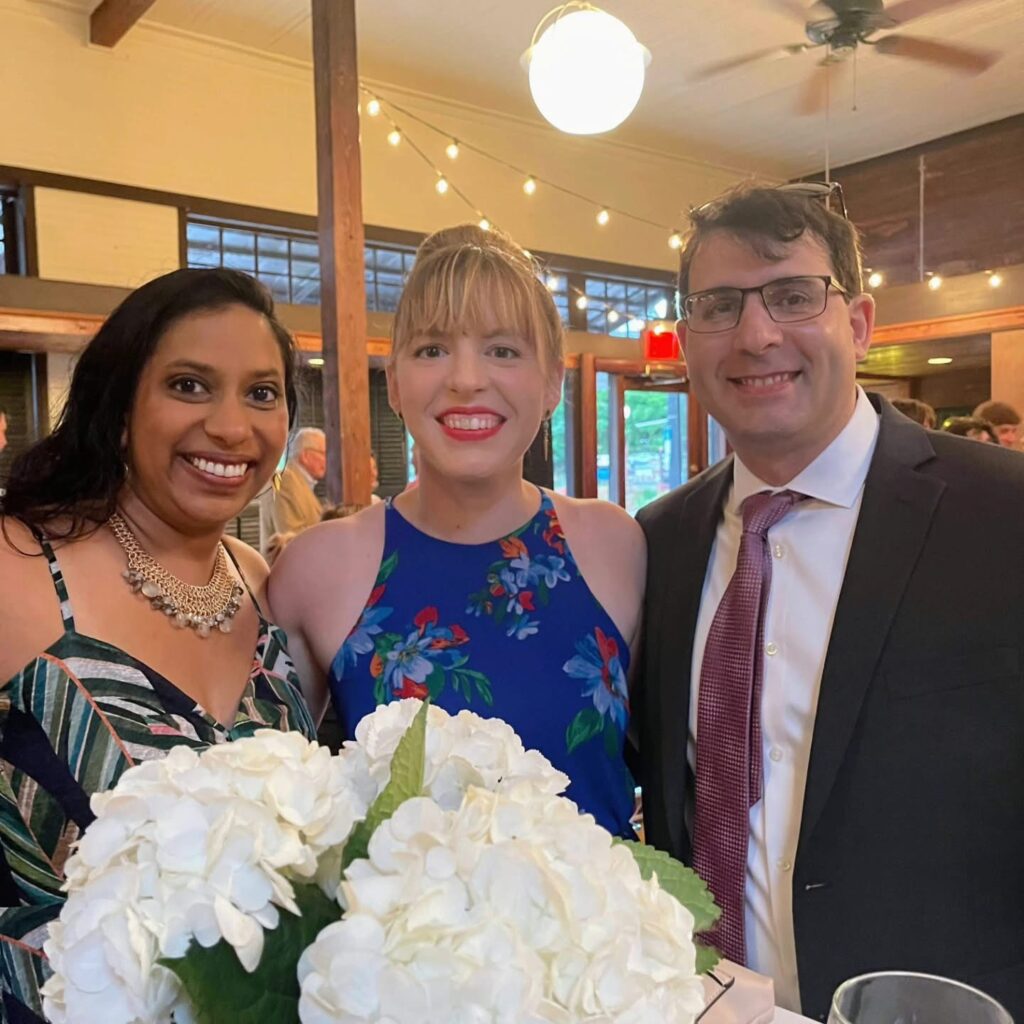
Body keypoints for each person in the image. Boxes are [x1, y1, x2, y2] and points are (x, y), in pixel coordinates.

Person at [635, 183, 1024, 1020]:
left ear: (859, 323)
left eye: (792, 294)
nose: (756, 333)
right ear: (687, 340)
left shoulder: (1004, 514)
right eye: (718, 305)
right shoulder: (659, 543)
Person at [0, 268, 316, 1020]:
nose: (233, 428)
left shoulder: (262, 584)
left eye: (261, 394)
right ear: (119, 407)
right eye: (189, 385)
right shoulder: (17, 566)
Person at [270, 224, 645, 837]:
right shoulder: (318, 568)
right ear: (393, 381)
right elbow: (287, 811)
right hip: (398, 928)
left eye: (503, 350)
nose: (466, 379)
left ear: (552, 381)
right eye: (432, 350)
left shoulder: (616, 546)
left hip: (607, 925)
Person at [273, 426, 325, 533]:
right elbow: (289, 535)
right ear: (305, 456)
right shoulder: (285, 481)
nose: (327, 460)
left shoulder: (300, 482)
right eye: (323, 453)